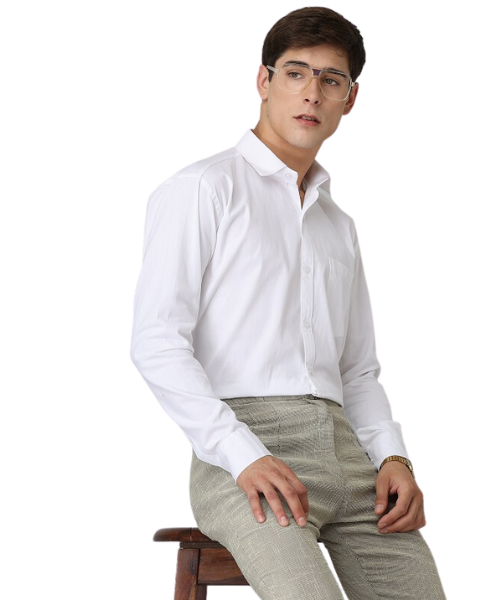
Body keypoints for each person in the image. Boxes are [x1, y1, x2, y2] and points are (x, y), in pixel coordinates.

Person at [131, 7, 446, 599]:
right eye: (296, 72)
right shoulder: (203, 189)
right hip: (246, 449)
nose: (312, 92)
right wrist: (242, 453)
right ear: (264, 80)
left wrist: (393, 458)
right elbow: (157, 342)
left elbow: (357, 371)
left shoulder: (337, 225)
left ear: (350, 98)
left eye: (331, 79)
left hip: (349, 453)